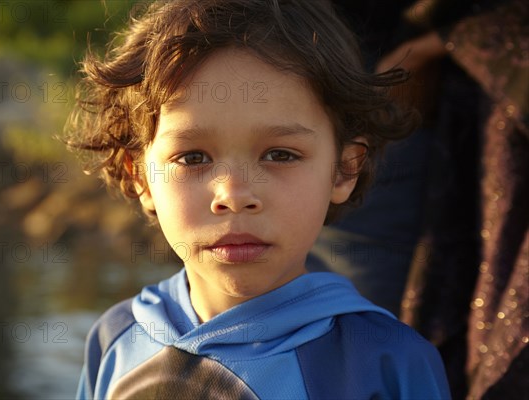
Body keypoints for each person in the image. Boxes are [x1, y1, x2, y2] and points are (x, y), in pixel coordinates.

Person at [65, 0, 451, 398]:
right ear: (141, 176)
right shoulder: (117, 336)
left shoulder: (387, 362)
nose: (233, 195)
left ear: (344, 170)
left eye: (280, 154)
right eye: (193, 157)